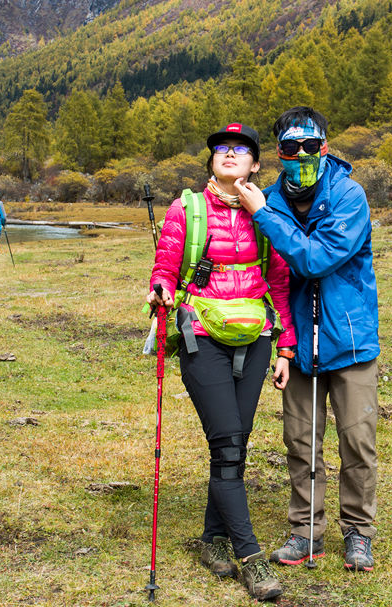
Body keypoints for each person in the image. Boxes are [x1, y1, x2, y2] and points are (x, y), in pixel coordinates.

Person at [146, 122, 296, 601]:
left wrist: (286, 348)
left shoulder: (266, 214)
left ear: (255, 164)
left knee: (234, 444)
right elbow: (165, 267)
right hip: (202, 336)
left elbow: (280, 284)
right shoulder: (186, 209)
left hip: (255, 339)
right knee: (228, 442)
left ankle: (211, 540)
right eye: (221, 149)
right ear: (212, 161)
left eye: (241, 150)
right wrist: (161, 290)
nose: (229, 154)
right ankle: (250, 558)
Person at [234, 107, 380, 572]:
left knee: (357, 440)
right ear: (278, 153)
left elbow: (315, 260)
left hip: (351, 341)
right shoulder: (270, 199)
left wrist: (263, 216)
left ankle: (358, 531)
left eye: (311, 147)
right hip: (298, 343)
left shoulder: (349, 197)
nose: (302, 155)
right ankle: (305, 532)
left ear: (326, 147)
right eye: (292, 148)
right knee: (301, 441)